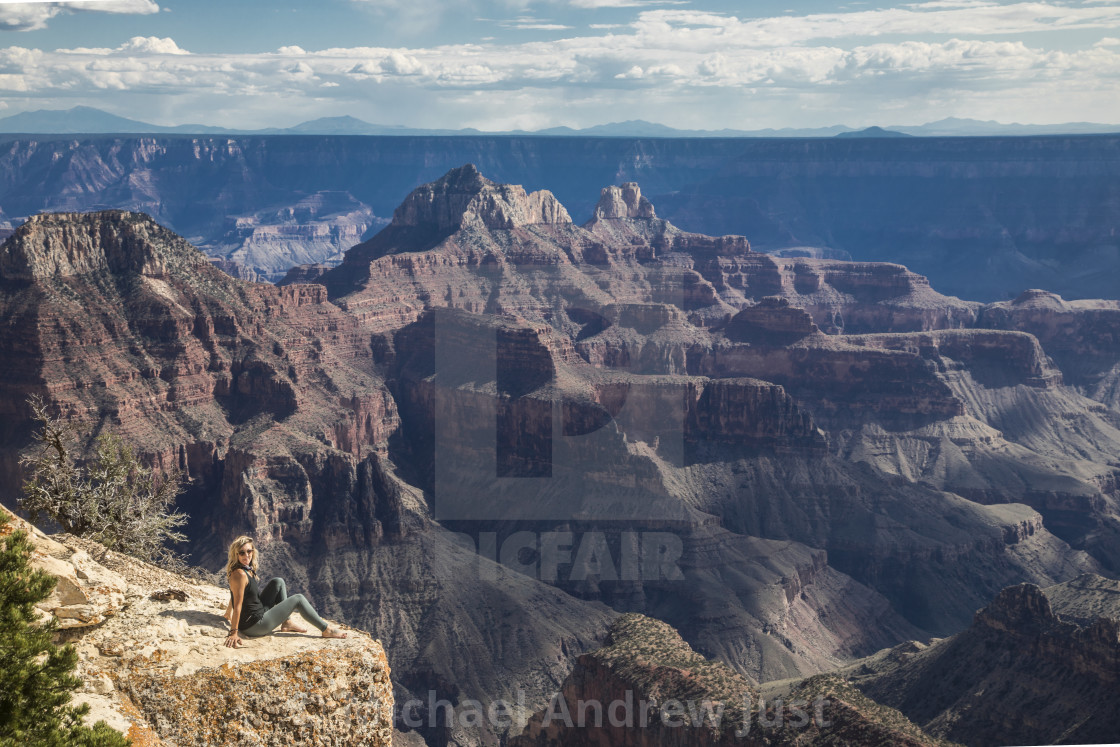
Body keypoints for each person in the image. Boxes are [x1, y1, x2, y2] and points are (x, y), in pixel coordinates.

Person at [223, 535, 346, 648]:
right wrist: (234, 632)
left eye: (249, 551)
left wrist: (228, 613)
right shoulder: (240, 574)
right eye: (242, 553)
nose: (246, 556)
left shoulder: (246, 569)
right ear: (236, 555)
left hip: (257, 613)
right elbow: (238, 604)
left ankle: (287, 622)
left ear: (253, 551)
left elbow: (235, 593)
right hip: (255, 625)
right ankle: (326, 630)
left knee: (278, 582)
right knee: (298, 599)